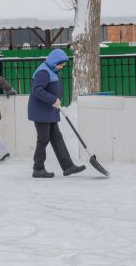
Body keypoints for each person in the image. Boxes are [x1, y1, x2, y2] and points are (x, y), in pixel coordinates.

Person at [28, 49, 86, 178]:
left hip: (49, 110)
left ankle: (68, 167)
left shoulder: (51, 71)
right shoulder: (43, 72)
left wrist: (54, 101)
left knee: (56, 138)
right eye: (61, 64)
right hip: (41, 111)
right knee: (43, 139)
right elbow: (36, 90)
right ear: (54, 62)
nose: (62, 67)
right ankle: (38, 168)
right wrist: (53, 99)